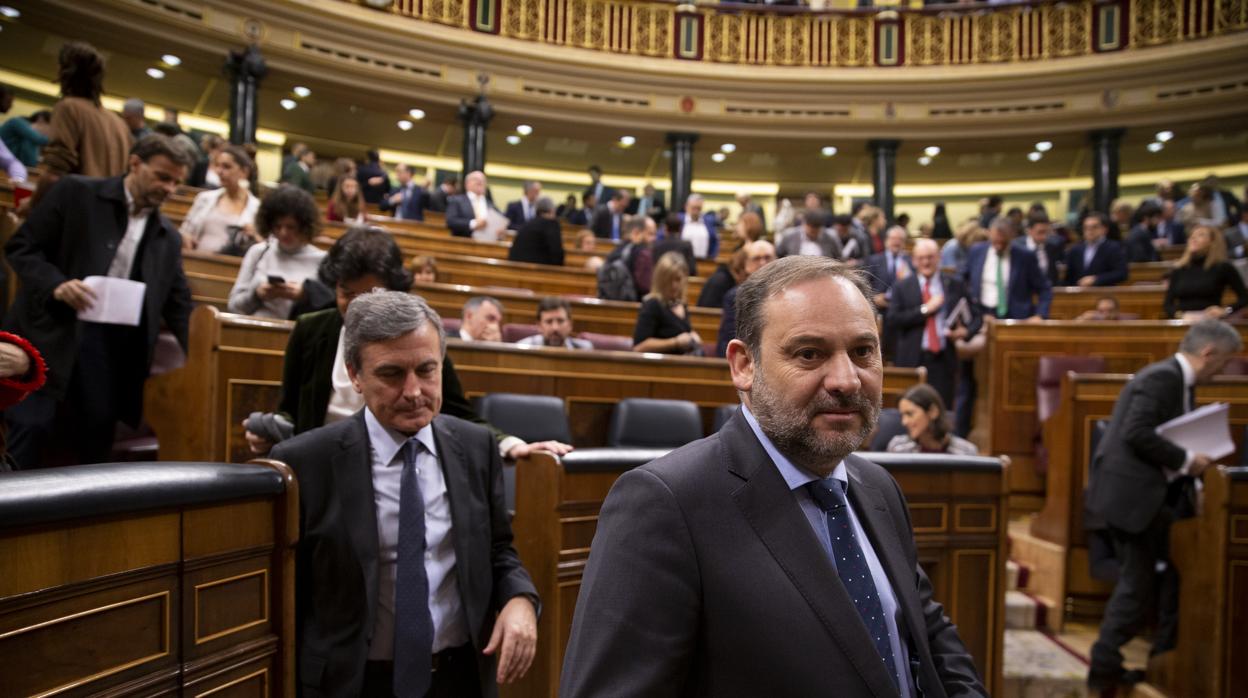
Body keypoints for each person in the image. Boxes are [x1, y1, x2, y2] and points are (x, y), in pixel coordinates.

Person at [562, 255, 986, 697]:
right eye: (809, 353)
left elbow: (929, 637)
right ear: (744, 365)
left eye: (863, 351)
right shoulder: (665, 505)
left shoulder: (878, 487)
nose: (846, 380)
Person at [269, 291, 539, 697]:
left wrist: (519, 598)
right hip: (351, 683)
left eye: (427, 370)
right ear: (355, 376)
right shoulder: (304, 463)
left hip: (459, 677)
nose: (414, 391)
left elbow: (499, 549)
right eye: (392, 374)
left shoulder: (476, 447)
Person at [244, 226, 569, 464]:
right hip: (319, 469)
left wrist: (511, 444)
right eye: (346, 292)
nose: (356, 305)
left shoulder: (418, 338)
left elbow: (459, 414)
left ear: (395, 288)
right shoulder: (310, 329)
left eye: (371, 293)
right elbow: (289, 408)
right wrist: (267, 432)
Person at [3, 134, 193, 469]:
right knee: (29, 432)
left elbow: (179, 306)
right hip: (51, 334)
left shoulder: (167, 237)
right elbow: (22, 247)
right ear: (135, 163)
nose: (170, 189)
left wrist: (206, 350)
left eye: (177, 182)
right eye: (163, 177)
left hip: (112, 352)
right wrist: (57, 285)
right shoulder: (76, 192)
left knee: (94, 443)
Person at [1084, 320, 1242, 691]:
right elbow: (1136, 432)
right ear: (1209, 353)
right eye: (1224, 363)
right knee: (1137, 586)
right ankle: (1104, 665)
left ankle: (1160, 656)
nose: (1223, 373)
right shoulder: (1163, 378)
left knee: (1167, 576)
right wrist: (1188, 460)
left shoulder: (1176, 381)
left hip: (1144, 498)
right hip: (1131, 499)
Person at [28, 42, 133, 210]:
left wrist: (31, 206)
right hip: (105, 216)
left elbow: (55, 173)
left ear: (65, 71)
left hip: (74, 211)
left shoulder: (69, 108)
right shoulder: (119, 123)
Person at [886, 239, 980, 409]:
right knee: (911, 410)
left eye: (930, 257)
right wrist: (924, 310)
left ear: (939, 258)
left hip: (944, 359)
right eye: (921, 258)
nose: (926, 262)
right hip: (912, 359)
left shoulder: (954, 284)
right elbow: (893, 319)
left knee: (941, 410)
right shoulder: (902, 286)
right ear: (914, 260)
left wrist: (966, 332)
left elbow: (976, 317)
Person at [227, 186, 328, 319]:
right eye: (277, 226)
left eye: (291, 227)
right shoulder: (258, 252)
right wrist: (257, 295)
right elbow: (233, 306)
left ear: (304, 226)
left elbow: (329, 312)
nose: (283, 233)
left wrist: (304, 296)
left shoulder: (322, 260)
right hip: (255, 331)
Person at [180, 145, 261, 254]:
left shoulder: (257, 208)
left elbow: (263, 244)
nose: (219, 171)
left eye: (226, 167)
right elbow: (184, 231)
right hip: (197, 260)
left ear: (244, 172)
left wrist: (254, 235)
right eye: (217, 166)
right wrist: (185, 237)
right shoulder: (204, 198)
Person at [1162, 225, 1248, 320]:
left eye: (1200, 235)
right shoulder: (1178, 269)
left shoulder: (1223, 267)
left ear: (1212, 242)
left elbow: (1244, 298)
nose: (1193, 238)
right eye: (1191, 236)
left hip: (1211, 322)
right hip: (1184, 320)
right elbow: (1167, 304)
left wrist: (1225, 310)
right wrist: (1181, 316)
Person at [632, 252, 701, 355]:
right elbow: (639, 347)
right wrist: (675, 342)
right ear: (660, 280)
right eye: (669, 280)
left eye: (678, 279)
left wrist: (692, 336)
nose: (674, 285)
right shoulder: (652, 304)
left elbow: (682, 332)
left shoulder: (681, 303)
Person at [716, 239, 776, 357]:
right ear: (747, 265)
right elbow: (728, 338)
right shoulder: (735, 296)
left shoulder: (787, 294)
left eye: (767, 257)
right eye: (756, 258)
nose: (763, 263)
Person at [887, 384, 978, 455]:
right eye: (902, 415)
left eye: (910, 414)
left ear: (933, 412)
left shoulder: (966, 452)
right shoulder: (898, 447)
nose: (904, 422)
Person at [1063, 212, 1128, 287]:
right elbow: (1069, 278)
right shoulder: (1075, 250)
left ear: (1104, 229)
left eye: (1094, 227)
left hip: (1104, 293)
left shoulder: (1114, 248)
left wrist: (1096, 279)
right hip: (1079, 294)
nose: (1089, 231)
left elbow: (1122, 273)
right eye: (1086, 228)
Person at [864, 226, 915, 311]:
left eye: (900, 239)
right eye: (893, 238)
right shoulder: (874, 260)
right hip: (878, 308)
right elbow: (865, 283)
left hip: (902, 309)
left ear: (904, 243)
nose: (896, 242)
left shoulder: (911, 262)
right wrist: (873, 298)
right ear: (886, 241)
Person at [516, 297, 593, 349]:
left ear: (570, 324)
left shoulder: (584, 350)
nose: (555, 327)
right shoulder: (523, 348)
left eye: (560, 321)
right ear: (539, 326)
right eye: (549, 322)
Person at [508, 196, 564, 266]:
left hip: (514, 268)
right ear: (552, 211)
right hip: (538, 271)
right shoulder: (552, 224)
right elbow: (557, 254)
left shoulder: (527, 224)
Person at [1013, 214, 1064, 287]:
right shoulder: (1017, 247)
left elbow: (1053, 275)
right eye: (1040, 232)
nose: (1045, 237)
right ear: (1029, 231)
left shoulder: (1053, 247)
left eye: (1047, 232)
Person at [0, 97, 50, 168]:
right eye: (50, 129)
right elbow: (40, 140)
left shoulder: (26, 136)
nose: (48, 134)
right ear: (40, 120)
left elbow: (30, 163)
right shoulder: (18, 122)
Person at [446, 171, 498, 238]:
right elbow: (451, 222)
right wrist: (474, 224)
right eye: (476, 179)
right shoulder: (456, 201)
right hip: (464, 242)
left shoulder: (491, 205)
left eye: (483, 180)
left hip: (487, 244)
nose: (480, 181)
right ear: (466, 184)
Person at [777, 209, 841, 259]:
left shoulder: (830, 237)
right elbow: (779, 254)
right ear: (804, 224)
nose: (813, 233)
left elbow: (839, 257)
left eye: (816, 230)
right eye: (811, 230)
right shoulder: (789, 235)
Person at [674, 193, 720, 260]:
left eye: (698, 208)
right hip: (680, 261)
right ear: (686, 206)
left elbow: (714, 241)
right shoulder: (677, 219)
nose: (696, 211)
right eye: (693, 208)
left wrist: (712, 257)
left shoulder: (708, 221)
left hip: (703, 261)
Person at [653, 213, 697, 278]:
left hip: (661, 280)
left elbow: (654, 267)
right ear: (680, 229)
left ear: (665, 228)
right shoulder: (687, 245)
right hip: (680, 280)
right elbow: (692, 270)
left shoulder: (657, 245)